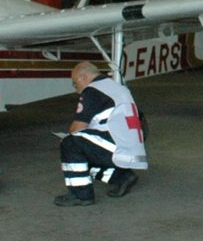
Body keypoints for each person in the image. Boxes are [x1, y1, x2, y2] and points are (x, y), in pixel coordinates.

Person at [55, 61, 147, 206]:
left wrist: (67, 138)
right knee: (82, 153)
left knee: (71, 143)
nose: (76, 89)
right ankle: (122, 177)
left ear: (83, 78)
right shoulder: (116, 87)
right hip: (133, 148)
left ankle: (81, 195)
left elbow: (78, 127)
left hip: (117, 145)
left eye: (74, 83)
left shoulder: (93, 91)